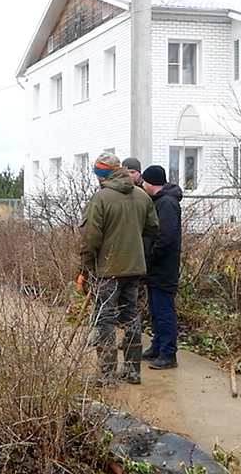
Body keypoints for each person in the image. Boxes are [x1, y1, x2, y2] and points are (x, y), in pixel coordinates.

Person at [78, 152, 159, 385]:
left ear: (102, 175)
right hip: (134, 268)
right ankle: (132, 371)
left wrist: (85, 269)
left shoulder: (100, 198)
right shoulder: (142, 196)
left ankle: (106, 375)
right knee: (131, 318)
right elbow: (153, 228)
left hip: (107, 271)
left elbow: (90, 238)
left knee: (106, 321)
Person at [140, 165, 183, 370]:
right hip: (156, 267)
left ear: (149, 182)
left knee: (164, 310)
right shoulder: (160, 201)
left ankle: (168, 352)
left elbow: (166, 236)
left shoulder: (166, 203)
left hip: (163, 267)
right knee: (156, 309)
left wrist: (151, 256)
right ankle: (157, 345)